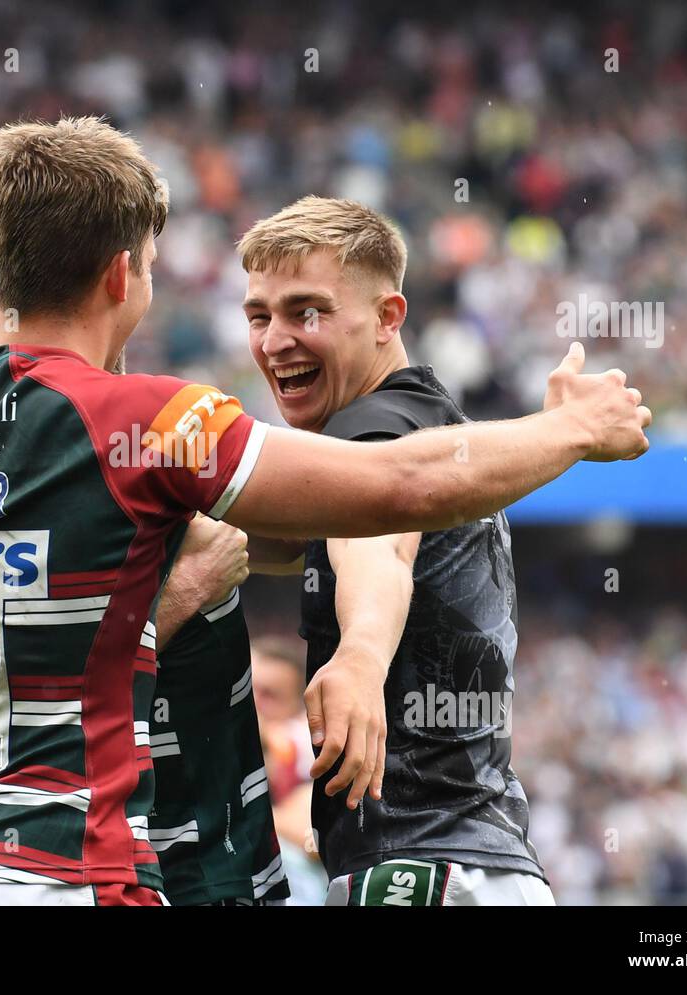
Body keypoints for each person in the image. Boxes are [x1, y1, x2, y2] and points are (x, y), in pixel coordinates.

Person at [0, 116, 652, 906]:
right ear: (124, 275)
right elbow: (398, 490)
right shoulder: (147, 422)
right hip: (66, 868)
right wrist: (571, 432)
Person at [239, 195, 555, 905]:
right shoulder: (425, 419)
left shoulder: (374, 430)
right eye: (260, 316)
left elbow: (378, 545)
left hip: (422, 872)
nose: (274, 340)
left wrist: (359, 653)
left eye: (307, 311)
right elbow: (286, 529)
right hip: (481, 864)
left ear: (388, 317)